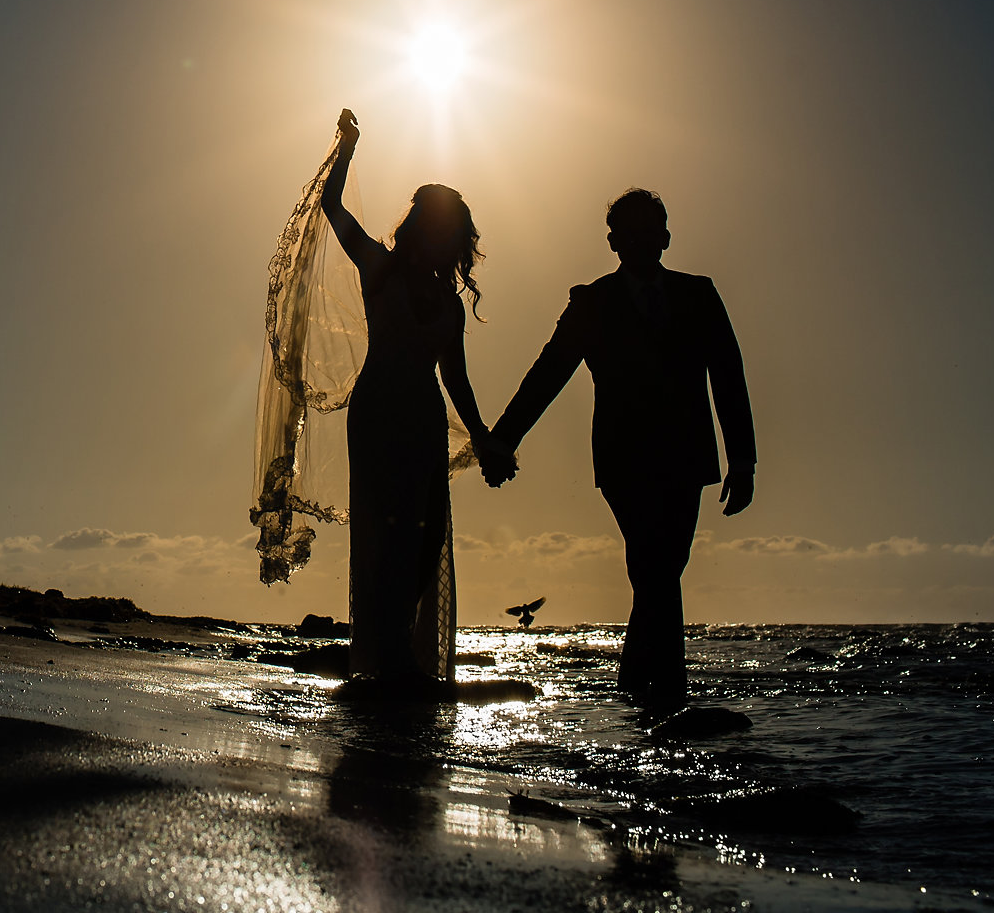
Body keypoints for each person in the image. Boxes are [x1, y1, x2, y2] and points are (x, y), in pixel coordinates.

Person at [484, 188, 754, 709]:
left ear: (666, 237)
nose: (640, 239)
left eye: (650, 229)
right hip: (625, 461)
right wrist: (503, 440)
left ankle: (638, 688)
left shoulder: (698, 294)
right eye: (629, 230)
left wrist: (742, 458)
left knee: (660, 567)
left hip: (686, 456)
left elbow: (728, 375)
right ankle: (667, 693)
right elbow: (549, 373)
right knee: (655, 566)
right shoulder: (593, 302)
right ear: (613, 241)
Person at [321, 109, 503, 687]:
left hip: (424, 420)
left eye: (454, 232)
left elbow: (458, 381)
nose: (445, 239)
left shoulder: (451, 304)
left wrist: (487, 440)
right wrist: (346, 148)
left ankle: (401, 652)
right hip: (378, 415)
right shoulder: (380, 267)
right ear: (421, 227)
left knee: (425, 541)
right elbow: (333, 209)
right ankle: (389, 660)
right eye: (438, 226)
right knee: (388, 534)